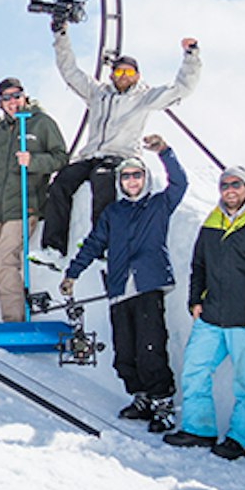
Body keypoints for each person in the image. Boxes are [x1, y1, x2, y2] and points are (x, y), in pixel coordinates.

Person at [61, 135, 187, 431]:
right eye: (126, 176)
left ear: (145, 178)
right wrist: (73, 273)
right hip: (119, 290)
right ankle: (141, 397)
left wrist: (164, 152)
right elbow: (94, 243)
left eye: (137, 175)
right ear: (120, 182)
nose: (132, 181)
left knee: (150, 348)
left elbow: (179, 184)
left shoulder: (158, 205)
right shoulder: (113, 212)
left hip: (147, 287)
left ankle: (162, 403)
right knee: (125, 352)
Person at [41, 28, 200, 256]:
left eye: (129, 71)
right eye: (119, 71)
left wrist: (191, 56)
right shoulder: (97, 93)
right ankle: (54, 248)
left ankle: (102, 243)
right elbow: (70, 71)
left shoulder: (143, 97)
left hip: (120, 155)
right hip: (91, 155)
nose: (123, 75)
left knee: (103, 180)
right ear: (112, 75)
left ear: (137, 75)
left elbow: (181, 89)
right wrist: (61, 36)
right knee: (61, 183)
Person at [162, 165, 245, 459]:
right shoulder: (212, 222)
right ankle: (199, 428)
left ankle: (239, 439)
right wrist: (195, 300)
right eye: (225, 185)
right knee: (194, 370)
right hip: (211, 316)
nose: (230, 190)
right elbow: (199, 265)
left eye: (236, 184)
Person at [0, 78, 68, 331]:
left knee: (5, 261)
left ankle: (14, 320)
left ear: (24, 96)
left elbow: (61, 157)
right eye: (6, 98)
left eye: (16, 96)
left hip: (23, 206)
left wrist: (34, 161)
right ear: (0, 103)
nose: (12, 102)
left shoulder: (41, 123)